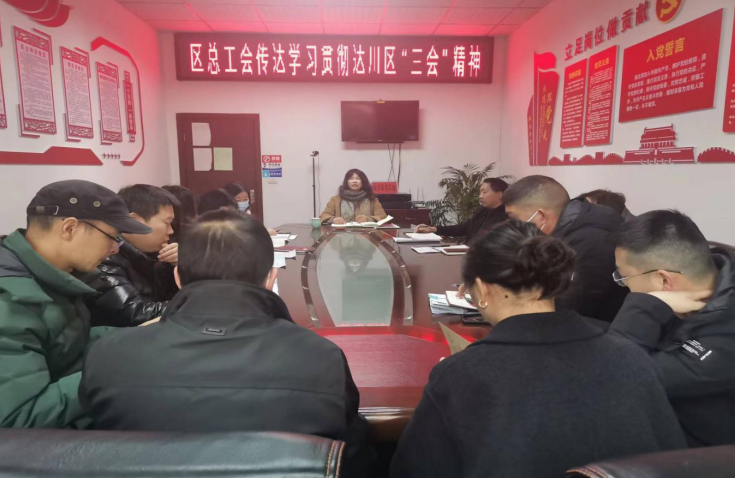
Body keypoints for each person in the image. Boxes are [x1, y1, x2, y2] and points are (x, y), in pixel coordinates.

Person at [80, 210, 372, 476]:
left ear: (178, 277)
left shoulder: (109, 354)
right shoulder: (320, 358)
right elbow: (350, 453)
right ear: (270, 279)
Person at [390, 221, 687, 478]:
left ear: (481, 288)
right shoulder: (632, 358)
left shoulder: (459, 375)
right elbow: (672, 459)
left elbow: (414, 470)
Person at [0, 180, 151, 428]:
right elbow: (20, 418)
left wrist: (141, 337)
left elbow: (68, 344)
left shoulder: (54, 276)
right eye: (112, 237)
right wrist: (119, 370)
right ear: (70, 228)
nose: (115, 248)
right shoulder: (9, 302)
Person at [608, 210, 735, 447]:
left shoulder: (725, 339)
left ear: (664, 280)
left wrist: (647, 304)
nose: (624, 284)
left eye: (624, 276)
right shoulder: (712, 277)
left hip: (701, 455)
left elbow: (616, 377)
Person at [502, 175, 628, 321]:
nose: (511, 225)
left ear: (541, 216)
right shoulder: (564, 230)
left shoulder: (593, 242)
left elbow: (572, 305)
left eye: (514, 219)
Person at [86, 185, 179, 327]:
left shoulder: (155, 254)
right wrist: (193, 304)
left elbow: (172, 295)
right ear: (134, 221)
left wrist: (182, 267)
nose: (171, 231)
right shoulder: (105, 259)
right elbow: (135, 315)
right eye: (167, 223)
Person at [414, 177, 508, 242]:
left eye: (484, 192)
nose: (480, 196)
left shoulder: (506, 215)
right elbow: (463, 228)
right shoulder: (482, 210)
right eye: (480, 192)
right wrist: (433, 229)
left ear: (499, 194)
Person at [320, 169, 387, 224]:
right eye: (351, 179)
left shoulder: (372, 199)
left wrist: (368, 219)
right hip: (342, 233)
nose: (354, 181)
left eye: (358, 179)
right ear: (347, 182)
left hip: (367, 233)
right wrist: (333, 219)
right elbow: (324, 216)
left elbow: (383, 217)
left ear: (363, 182)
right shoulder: (335, 199)